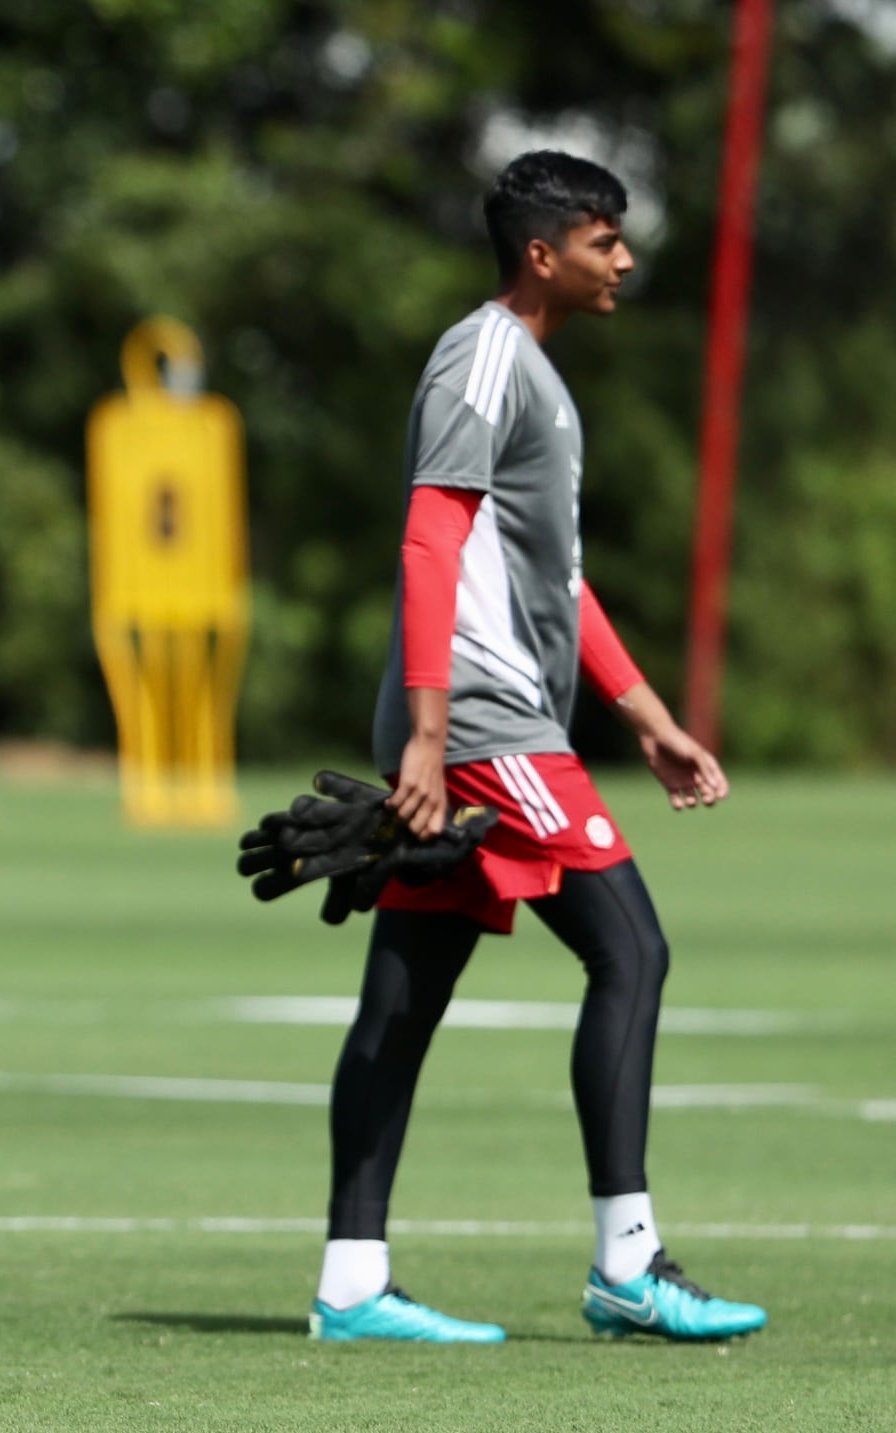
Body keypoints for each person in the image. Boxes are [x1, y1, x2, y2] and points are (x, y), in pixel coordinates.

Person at [309, 152, 767, 1343]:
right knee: (632, 950)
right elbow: (427, 537)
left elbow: (550, 575)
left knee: (405, 998)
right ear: (541, 252)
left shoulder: (538, 376)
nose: (622, 258)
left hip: (484, 715)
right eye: (604, 239)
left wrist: (644, 713)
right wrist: (425, 731)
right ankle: (629, 1265)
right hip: (477, 721)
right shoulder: (485, 356)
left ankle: (351, 1283)